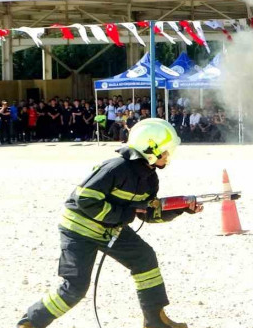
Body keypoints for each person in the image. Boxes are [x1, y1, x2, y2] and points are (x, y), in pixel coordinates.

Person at [16, 119, 198, 328]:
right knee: (75, 288)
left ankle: (155, 320)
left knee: (144, 258)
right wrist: (124, 213)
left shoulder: (149, 178)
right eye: (166, 151)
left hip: (110, 229)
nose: (169, 156)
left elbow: (146, 214)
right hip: (79, 231)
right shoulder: (115, 168)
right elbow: (85, 200)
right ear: (151, 149)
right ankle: (30, 323)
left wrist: (181, 208)